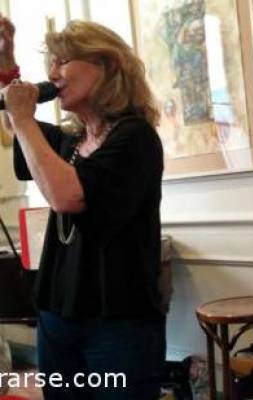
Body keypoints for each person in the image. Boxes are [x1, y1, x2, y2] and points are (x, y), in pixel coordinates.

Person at [0, 16, 165, 400]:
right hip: (58, 315)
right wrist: (6, 63)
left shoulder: (135, 137)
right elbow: (19, 130)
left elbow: (68, 196)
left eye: (64, 60)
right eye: (51, 63)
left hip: (117, 324)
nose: (53, 72)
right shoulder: (71, 140)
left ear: (106, 66)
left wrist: (23, 116)